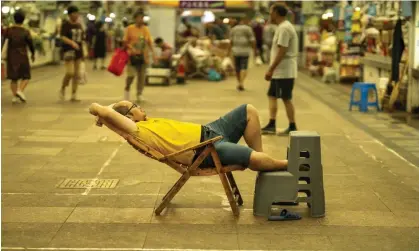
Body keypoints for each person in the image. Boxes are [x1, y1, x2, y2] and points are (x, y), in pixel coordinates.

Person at [89, 101, 288, 171]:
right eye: (136, 107)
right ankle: (285, 164)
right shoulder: (136, 130)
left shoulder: (144, 123)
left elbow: (110, 111)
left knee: (249, 110)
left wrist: (106, 115)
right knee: (252, 157)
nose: (140, 107)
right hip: (205, 149)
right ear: (130, 117)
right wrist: (104, 113)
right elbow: (98, 109)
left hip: (210, 131)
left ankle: (265, 165)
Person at [262, 3, 298, 135]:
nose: (270, 15)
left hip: (284, 71)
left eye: (271, 12)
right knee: (272, 95)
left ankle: (292, 125)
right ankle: (272, 124)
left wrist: (270, 69)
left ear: (276, 13)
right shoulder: (282, 27)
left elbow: (282, 50)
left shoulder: (284, 28)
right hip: (280, 71)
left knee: (286, 98)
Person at [123, 9, 157, 102]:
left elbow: (149, 42)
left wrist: (153, 54)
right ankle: (127, 89)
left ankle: (139, 93)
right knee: (131, 75)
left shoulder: (145, 29)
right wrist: (131, 48)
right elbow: (125, 42)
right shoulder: (129, 28)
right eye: (139, 18)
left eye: (142, 18)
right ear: (135, 18)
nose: (141, 19)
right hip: (132, 57)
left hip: (143, 56)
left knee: (141, 76)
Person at [2, 10, 35, 103]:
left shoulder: (8, 30)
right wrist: (33, 54)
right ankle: (19, 91)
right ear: (23, 20)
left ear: (14, 19)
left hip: (11, 56)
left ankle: (15, 96)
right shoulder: (25, 31)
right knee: (26, 76)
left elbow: (4, 43)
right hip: (22, 55)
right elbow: (30, 44)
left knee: (13, 78)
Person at [59, 5, 85, 102]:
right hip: (68, 52)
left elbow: (82, 39)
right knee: (70, 72)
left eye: (77, 13)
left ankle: (74, 94)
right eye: (74, 13)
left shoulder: (79, 25)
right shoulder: (65, 24)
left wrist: (83, 53)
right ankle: (63, 87)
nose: (76, 15)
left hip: (78, 52)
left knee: (76, 74)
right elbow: (62, 37)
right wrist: (72, 43)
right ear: (70, 14)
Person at [230, 17, 256, 91]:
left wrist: (228, 52)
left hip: (235, 51)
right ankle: (241, 83)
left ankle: (239, 82)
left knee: (237, 68)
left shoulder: (233, 29)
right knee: (244, 67)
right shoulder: (248, 29)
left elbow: (230, 41)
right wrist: (254, 50)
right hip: (245, 51)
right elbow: (252, 40)